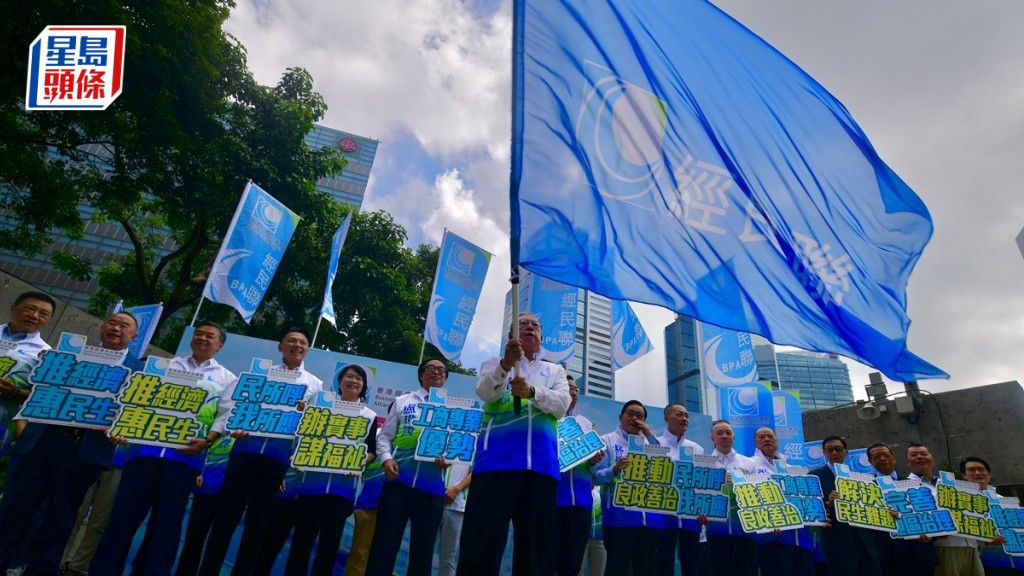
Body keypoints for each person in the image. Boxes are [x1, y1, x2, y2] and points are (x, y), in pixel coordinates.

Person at [89, 321, 236, 576]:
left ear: (220, 345)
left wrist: (208, 440)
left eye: (209, 336)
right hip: (143, 455)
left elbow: (225, 416)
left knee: (166, 526)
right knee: (122, 520)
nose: (202, 338)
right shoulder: (164, 366)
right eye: (198, 333)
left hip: (184, 460)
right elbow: (137, 400)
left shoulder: (227, 379)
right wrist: (124, 429)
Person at [0, 311, 139, 575]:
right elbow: (38, 391)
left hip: (85, 450)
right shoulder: (68, 356)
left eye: (124, 326)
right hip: (45, 439)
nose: (116, 328)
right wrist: (46, 367)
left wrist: (124, 431)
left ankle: (39, 570)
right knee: (18, 506)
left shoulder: (140, 372)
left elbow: (135, 414)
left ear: (133, 336)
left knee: (60, 516)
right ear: (102, 327)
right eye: (111, 322)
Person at [196, 326, 323, 575]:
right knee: (226, 518)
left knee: (258, 524)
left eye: (302, 343)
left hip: (277, 461)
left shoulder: (314, 385)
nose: (297, 346)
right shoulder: (258, 374)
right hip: (245, 452)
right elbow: (231, 405)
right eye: (291, 341)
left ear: (307, 350)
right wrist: (235, 426)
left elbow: (310, 426)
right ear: (280, 346)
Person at [456, 312, 571, 576]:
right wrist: (505, 365)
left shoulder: (555, 370)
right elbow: (485, 392)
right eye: (522, 324)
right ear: (510, 336)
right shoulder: (492, 364)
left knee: (535, 549)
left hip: (541, 469)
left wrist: (532, 392)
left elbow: (561, 406)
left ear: (541, 338)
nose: (529, 328)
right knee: (481, 543)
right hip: (496, 465)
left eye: (535, 326)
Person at [286, 364, 378, 575]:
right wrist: (299, 455)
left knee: (329, 547)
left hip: (342, 490)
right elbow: (304, 438)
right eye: (349, 376)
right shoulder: (320, 408)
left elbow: (371, 451)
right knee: (301, 543)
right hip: (311, 486)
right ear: (339, 381)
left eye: (359, 379)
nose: (353, 381)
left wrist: (362, 460)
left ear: (363, 386)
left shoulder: (369, 415)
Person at [366, 358, 452, 576]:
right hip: (398, 483)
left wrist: (448, 458)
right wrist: (386, 459)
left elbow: (455, 445)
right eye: (431, 368)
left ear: (445, 378)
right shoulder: (403, 401)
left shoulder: (452, 410)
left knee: (422, 555)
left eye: (441, 370)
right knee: (383, 547)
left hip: (431, 489)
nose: (436, 372)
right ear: (421, 375)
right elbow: (384, 437)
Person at [593, 400, 662, 576]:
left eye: (640, 416)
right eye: (630, 413)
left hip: (649, 519)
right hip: (618, 519)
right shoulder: (607, 440)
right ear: (621, 417)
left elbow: (665, 467)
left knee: (646, 569)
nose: (634, 418)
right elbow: (596, 476)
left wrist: (650, 435)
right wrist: (614, 469)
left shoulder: (650, 444)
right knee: (618, 568)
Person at [552, 375, 604, 576]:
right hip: (552, 499)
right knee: (548, 556)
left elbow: (594, 472)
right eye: (568, 387)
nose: (573, 392)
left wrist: (593, 461)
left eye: (576, 389)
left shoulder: (586, 424)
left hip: (581, 502)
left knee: (572, 561)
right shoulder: (547, 416)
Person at [810, 436, 883, 576]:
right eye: (830, 450)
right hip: (837, 543)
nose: (834, 453)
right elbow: (811, 509)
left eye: (838, 449)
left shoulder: (859, 477)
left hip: (865, 542)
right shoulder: (814, 476)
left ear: (846, 452)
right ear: (824, 453)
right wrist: (828, 504)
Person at [656, 403, 704, 576]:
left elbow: (700, 484)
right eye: (679, 415)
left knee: (691, 563)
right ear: (666, 418)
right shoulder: (654, 444)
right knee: (663, 562)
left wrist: (702, 509)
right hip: (661, 512)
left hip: (690, 515)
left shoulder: (697, 449)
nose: (684, 419)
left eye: (686, 416)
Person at [707, 419, 759, 576]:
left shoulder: (749, 463)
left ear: (734, 437)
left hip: (745, 528)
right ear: (712, 438)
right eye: (719, 433)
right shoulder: (704, 463)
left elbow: (757, 493)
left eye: (728, 433)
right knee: (719, 570)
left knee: (747, 570)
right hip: (715, 528)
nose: (724, 436)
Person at [752, 427, 801, 576]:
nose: (766, 439)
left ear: (777, 440)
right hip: (766, 534)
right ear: (755, 442)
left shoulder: (790, 468)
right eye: (762, 437)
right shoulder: (749, 465)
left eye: (770, 436)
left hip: (793, 533)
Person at [436, 463, 472, 576]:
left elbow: (476, 470)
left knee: (448, 558)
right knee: (421, 551)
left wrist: (456, 489)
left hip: (456, 505)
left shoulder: (474, 445)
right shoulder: (437, 444)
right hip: (432, 501)